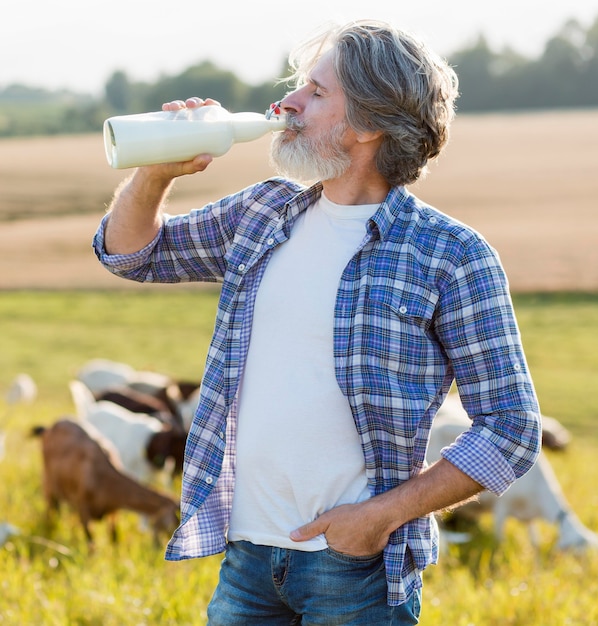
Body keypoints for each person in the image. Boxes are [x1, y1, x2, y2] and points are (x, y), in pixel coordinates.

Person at [93, 19, 541, 625]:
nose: (288, 103)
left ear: (371, 124)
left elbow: (510, 426)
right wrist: (156, 173)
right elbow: (130, 253)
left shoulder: (450, 254)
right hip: (248, 557)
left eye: (318, 93)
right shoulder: (262, 212)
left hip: (355, 569)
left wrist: (380, 517)